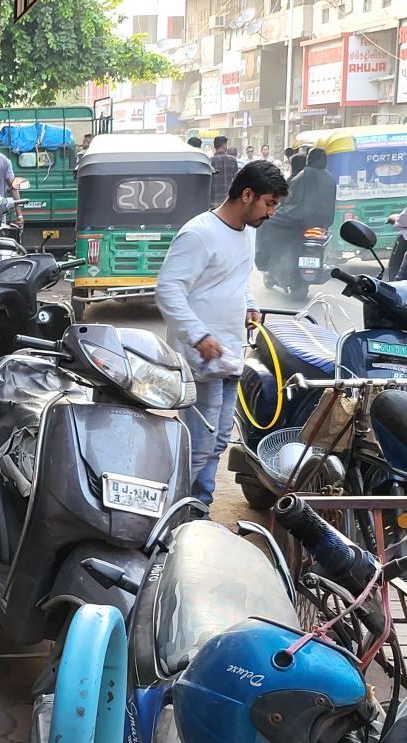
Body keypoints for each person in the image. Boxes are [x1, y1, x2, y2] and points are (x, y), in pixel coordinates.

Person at [156, 161, 288, 507]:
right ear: (247, 195)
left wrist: (249, 304)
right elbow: (168, 290)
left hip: (228, 355)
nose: (271, 213)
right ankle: (177, 515)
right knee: (198, 446)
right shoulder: (199, 233)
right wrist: (199, 337)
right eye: (269, 203)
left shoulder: (247, 232)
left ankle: (200, 509)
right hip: (202, 359)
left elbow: (238, 279)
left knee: (216, 443)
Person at [255, 147, 336, 274]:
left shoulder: (305, 174)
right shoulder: (330, 178)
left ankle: (263, 261)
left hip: (299, 217)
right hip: (324, 221)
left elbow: (290, 196)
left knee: (266, 221)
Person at [210, 135, 239, 207]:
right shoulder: (233, 160)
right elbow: (236, 180)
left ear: (215, 146)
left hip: (214, 200)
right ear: (224, 146)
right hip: (228, 200)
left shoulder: (209, 161)